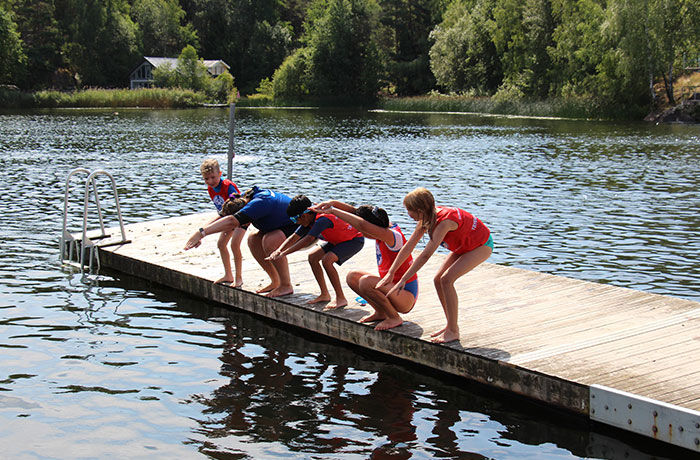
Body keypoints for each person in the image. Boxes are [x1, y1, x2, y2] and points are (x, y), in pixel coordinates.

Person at [377, 187, 493, 343]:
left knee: (446, 280)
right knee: (438, 279)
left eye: (409, 210)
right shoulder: (426, 218)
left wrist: (404, 279)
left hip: (481, 245)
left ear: (419, 210)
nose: (408, 215)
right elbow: (409, 246)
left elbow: (425, 255)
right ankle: (451, 325)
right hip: (463, 246)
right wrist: (392, 272)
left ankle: (453, 331)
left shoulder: (444, 223)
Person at [311, 201, 418, 331]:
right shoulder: (380, 224)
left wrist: (333, 211)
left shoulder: (392, 236)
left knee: (365, 282)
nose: (360, 231)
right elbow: (357, 214)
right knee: (353, 277)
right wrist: (331, 203)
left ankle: (394, 317)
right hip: (392, 289)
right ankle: (381, 312)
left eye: (363, 230)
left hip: (406, 296)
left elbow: (362, 224)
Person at [185, 186, 298, 297]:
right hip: (282, 225)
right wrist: (199, 233)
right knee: (253, 239)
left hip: (302, 227)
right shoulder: (243, 199)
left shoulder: (258, 203)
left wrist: (202, 233)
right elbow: (222, 216)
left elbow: (231, 221)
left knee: (269, 241)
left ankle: (286, 285)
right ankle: (275, 281)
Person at [268, 195, 364, 310]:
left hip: (354, 240)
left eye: (295, 219)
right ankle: (324, 294)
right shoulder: (307, 220)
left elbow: (308, 239)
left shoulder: (322, 219)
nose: (296, 223)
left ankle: (341, 298)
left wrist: (284, 253)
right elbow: (294, 237)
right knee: (313, 257)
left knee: (327, 261)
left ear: (304, 215)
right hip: (337, 240)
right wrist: (279, 250)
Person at [199, 158, 245, 286]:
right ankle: (228, 275)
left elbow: (235, 205)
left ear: (220, 174)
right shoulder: (211, 188)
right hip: (228, 219)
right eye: (206, 179)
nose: (210, 181)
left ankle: (238, 277)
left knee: (234, 245)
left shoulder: (227, 186)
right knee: (221, 244)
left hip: (241, 217)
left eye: (213, 177)